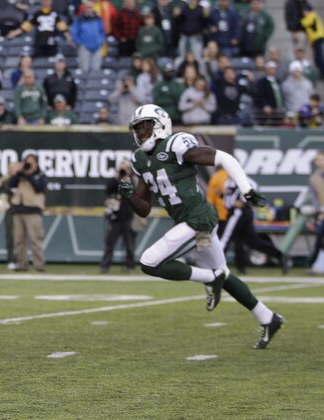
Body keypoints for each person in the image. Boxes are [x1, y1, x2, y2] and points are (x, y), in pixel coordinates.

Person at [118, 103, 284, 349]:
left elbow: (224, 157)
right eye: (137, 129)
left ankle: (208, 278)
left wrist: (246, 189)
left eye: (145, 127)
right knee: (224, 273)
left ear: (160, 125)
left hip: (198, 220)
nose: (141, 133)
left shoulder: (176, 145)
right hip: (191, 223)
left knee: (149, 262)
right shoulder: (140, 160)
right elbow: (144, 207)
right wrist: (130, 195)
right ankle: (267, 317)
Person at [220, 176, 289, 275]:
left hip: (239, 211)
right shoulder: (228, 181)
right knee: (248, 241)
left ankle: (215, 265)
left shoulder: (244, 179)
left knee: (226, 237)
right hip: (236, 211)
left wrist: (243, 200)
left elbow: (252, 191)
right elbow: (226, 196)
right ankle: (279, 256)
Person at [9, 154, 47, 272]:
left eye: (31, 162)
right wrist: (19, 172)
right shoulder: (20, 174)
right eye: (26, 162)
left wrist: (30, 175)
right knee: (19, 240)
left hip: (33, 210)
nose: (28, 164)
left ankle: (39, 264)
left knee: (35, 239)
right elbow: (11, 184)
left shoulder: (40, 175)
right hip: (18, 209)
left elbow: (39, 188)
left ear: (36, 163)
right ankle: (22, 264)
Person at [100, 161, 135, 274]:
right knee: (109, 243)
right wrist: (117, 177)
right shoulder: (114, 181)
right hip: (115, 217)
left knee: (129, 244)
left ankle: (130, 266)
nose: (122, 171)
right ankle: (105, 266)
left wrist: (126, 178)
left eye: (125, 169)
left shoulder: (131, 180)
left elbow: (132, 192)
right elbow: (108, 189)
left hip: (127, 217)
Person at [0, 162, 20, 270]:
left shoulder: (22, 179)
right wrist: (2, 202)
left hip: (21, 209)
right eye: (13, 168)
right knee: (10, 236)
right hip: (10, 210)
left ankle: (21, 260)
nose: (15, 169)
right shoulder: (4, 179)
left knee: (20, 237)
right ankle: (11, 259)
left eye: (17, 168)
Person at [70, 0, 106, 73]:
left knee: (96, 69)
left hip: (97, 46)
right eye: (87, 7)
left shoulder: (98, 18)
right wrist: (80, 43)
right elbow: (74, 32)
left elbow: (102, 31)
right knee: (84, 68)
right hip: (84, 47)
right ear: (84, 8)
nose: (89, 9)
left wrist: (100, 41)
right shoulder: (79, 19)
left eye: (90, 8)